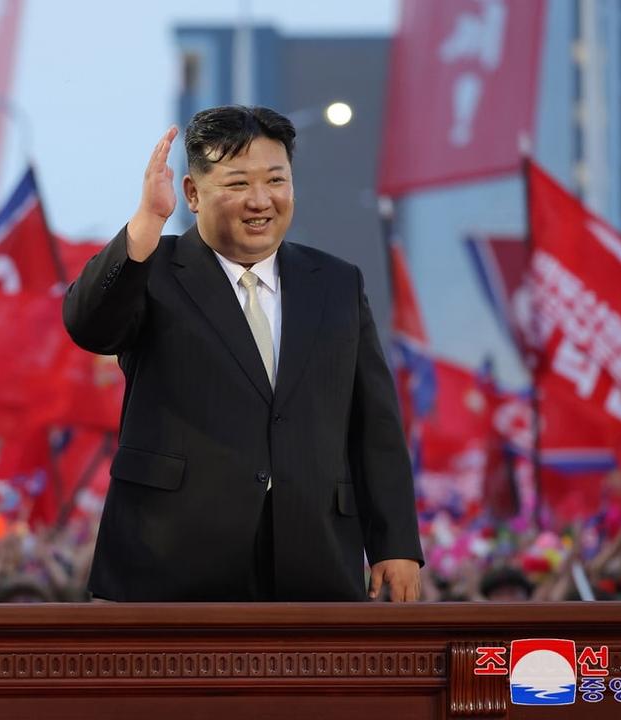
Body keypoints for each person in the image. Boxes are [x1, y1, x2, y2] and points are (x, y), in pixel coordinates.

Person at [63, 105, 423, 602]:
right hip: (171, 561)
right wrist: (147, 223)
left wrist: (396, 542)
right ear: (193, 193)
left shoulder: (337, 283)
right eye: (236, 185)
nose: (260, 201)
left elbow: (374, 425)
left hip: (312, 559)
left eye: (276, 180)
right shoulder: (155, 271)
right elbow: (90, 327)